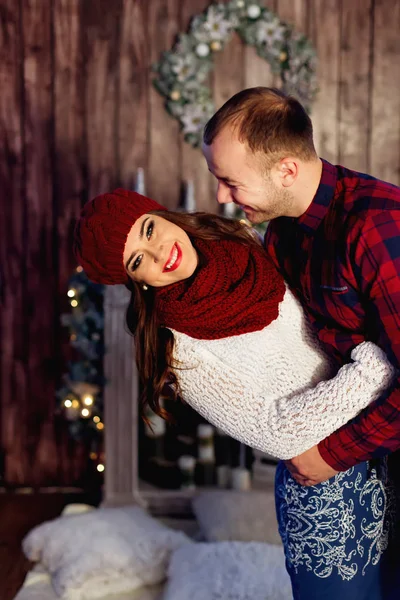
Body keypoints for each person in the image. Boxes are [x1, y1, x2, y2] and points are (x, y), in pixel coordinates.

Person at [74, 189, 395, 598]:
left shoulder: (245, 242)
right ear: (136, 281)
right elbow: (276, 433)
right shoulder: (180, 350)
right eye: (137, 260)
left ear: (161, 214)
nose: (157, 254)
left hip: (380, 440)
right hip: (323, 492)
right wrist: (373, 370)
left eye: (148, 230)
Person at [201, 86, 400, 599]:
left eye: (230, 181)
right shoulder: (283, 233)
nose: (222, 196)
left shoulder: (376, 226)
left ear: (287, 170)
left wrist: (331, 454)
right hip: (356, 443)